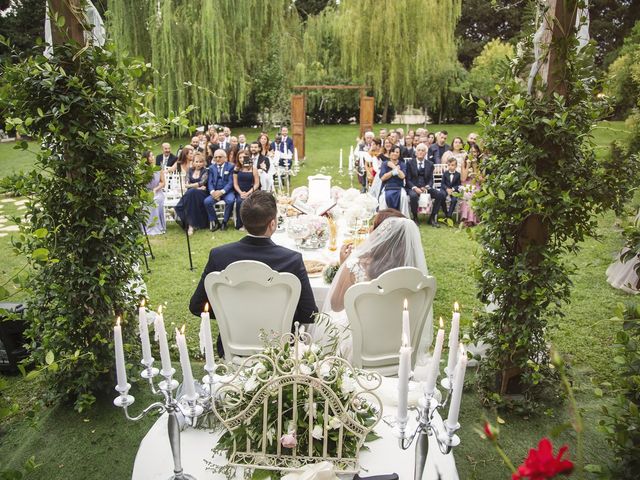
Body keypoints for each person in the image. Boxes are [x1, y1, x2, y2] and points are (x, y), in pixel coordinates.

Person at [189, 190, 318, 357]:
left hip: (233, 345)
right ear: (272, 224)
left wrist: (230, 315)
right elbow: (309, 314)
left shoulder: (219, 256)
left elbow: (196, 306)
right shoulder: (292, 260)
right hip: (281, 350)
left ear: (243, 220)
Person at [314, 216, 431, 360]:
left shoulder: (356, 266)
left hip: (361, 346)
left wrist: (344, 267)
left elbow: (336, 306)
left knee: (327, 320)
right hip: (402, 345)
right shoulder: (418, 279)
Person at [406, 143, 445, 227]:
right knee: (413, 196)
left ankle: (432, 218)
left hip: (425, 187)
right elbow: (408, 179)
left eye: (422, 150)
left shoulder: (430, 164)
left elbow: (431, 179)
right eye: (419, 150)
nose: (420, 152)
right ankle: (415, 217)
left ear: (425, 153)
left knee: (439, 194)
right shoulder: (410, 163)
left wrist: (427, 186)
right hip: (413, 187)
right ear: (416, 152)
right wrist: (415, 188)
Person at [174, 151, 209, 235]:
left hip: (202, 194)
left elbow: (202, 182)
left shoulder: (205, 171)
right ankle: (191, 225)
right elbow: (186, 184)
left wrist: (193, 186)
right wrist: (196, 186)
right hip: (192, 194)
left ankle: (178, 207)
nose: (198, 164)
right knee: (192, 197)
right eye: (196, 162)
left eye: (200, 162)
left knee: (192, 192)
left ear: (203, 162)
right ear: (193, 162)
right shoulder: (190, 171)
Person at [204, 149, 236, 231]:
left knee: (230, 201)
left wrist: (221, 192)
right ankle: (216, 222)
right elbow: (209, 182)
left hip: (227, 192)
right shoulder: (211, 168)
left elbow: (231, 182)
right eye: (216, 157)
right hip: (215, 192)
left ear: (225, 158)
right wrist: (212, 192)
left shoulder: (231, 166)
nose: (217, 159)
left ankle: (224, 222)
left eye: (220, 157)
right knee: (207, 202)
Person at [233, 151, 259, 230]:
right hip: (240, 192)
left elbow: (257, 184)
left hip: (252, 191)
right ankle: (241, 224)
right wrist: (241, 193)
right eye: (240, 157)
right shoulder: (236, 169)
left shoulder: (253, 169)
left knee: (250, 202)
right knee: (240, 202)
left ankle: (251, 223)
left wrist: (248, 193)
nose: (241, 159)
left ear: (248, 158)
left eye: (243, 157)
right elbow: (235, 184)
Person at [378, 145, 408, 213]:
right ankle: (384, 217)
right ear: (390, 153)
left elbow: (402, 176)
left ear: (399, 154)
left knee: (403, 197)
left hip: (399, 187)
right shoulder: (385, 164)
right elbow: (383, 178)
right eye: (393, 152)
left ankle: (403, 216)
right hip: (387, 186)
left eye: (397, 152)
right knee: (383, 198)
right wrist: (394, 170)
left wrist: (393, 167)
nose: (395, 153)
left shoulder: (402, 164)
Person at [459, 143, 482, 227]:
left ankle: (472, 220)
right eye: (471, 152)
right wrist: (468, 165)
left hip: (476, 184)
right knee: (466, 194)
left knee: (473, 194)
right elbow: (463, 178)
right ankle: (466, 219)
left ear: (478, 153)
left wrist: (475, 166)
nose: (473, 154)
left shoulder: (481, 163)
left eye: (475, 152)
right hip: (466, 184)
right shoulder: (464, 163)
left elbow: (479, 179)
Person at [144, 150, 166, 235]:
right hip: (146, 192)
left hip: (157, 192)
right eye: (150, 156)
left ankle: (157, 226)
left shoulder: (158, 169)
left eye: (153, 155)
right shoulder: (143, 171)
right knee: (145, 202)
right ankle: (146, 226)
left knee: (156, 200)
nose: (152, 157)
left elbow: (163, 182)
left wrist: (156, 189)